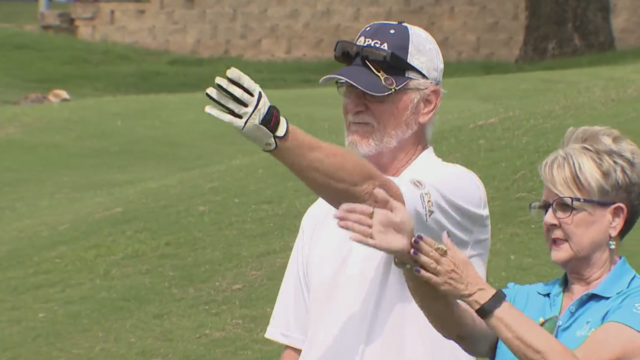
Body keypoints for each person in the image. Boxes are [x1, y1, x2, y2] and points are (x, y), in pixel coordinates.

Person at [202, 20, 492, 360]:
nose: (355, 104)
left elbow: (376, 195)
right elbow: (297, 345)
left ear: (427, 103)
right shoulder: (320, 213)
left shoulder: (456, 187)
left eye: (375, 91)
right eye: (349, 88)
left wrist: (275, 130)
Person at [334, 126, 640, 360]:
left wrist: (477, 291)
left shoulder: (633, 303)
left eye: (565, 206)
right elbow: (458, 327)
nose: (549, 220)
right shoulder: (526, 300)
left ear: (614, 218)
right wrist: (407, 254)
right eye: (546, 207)